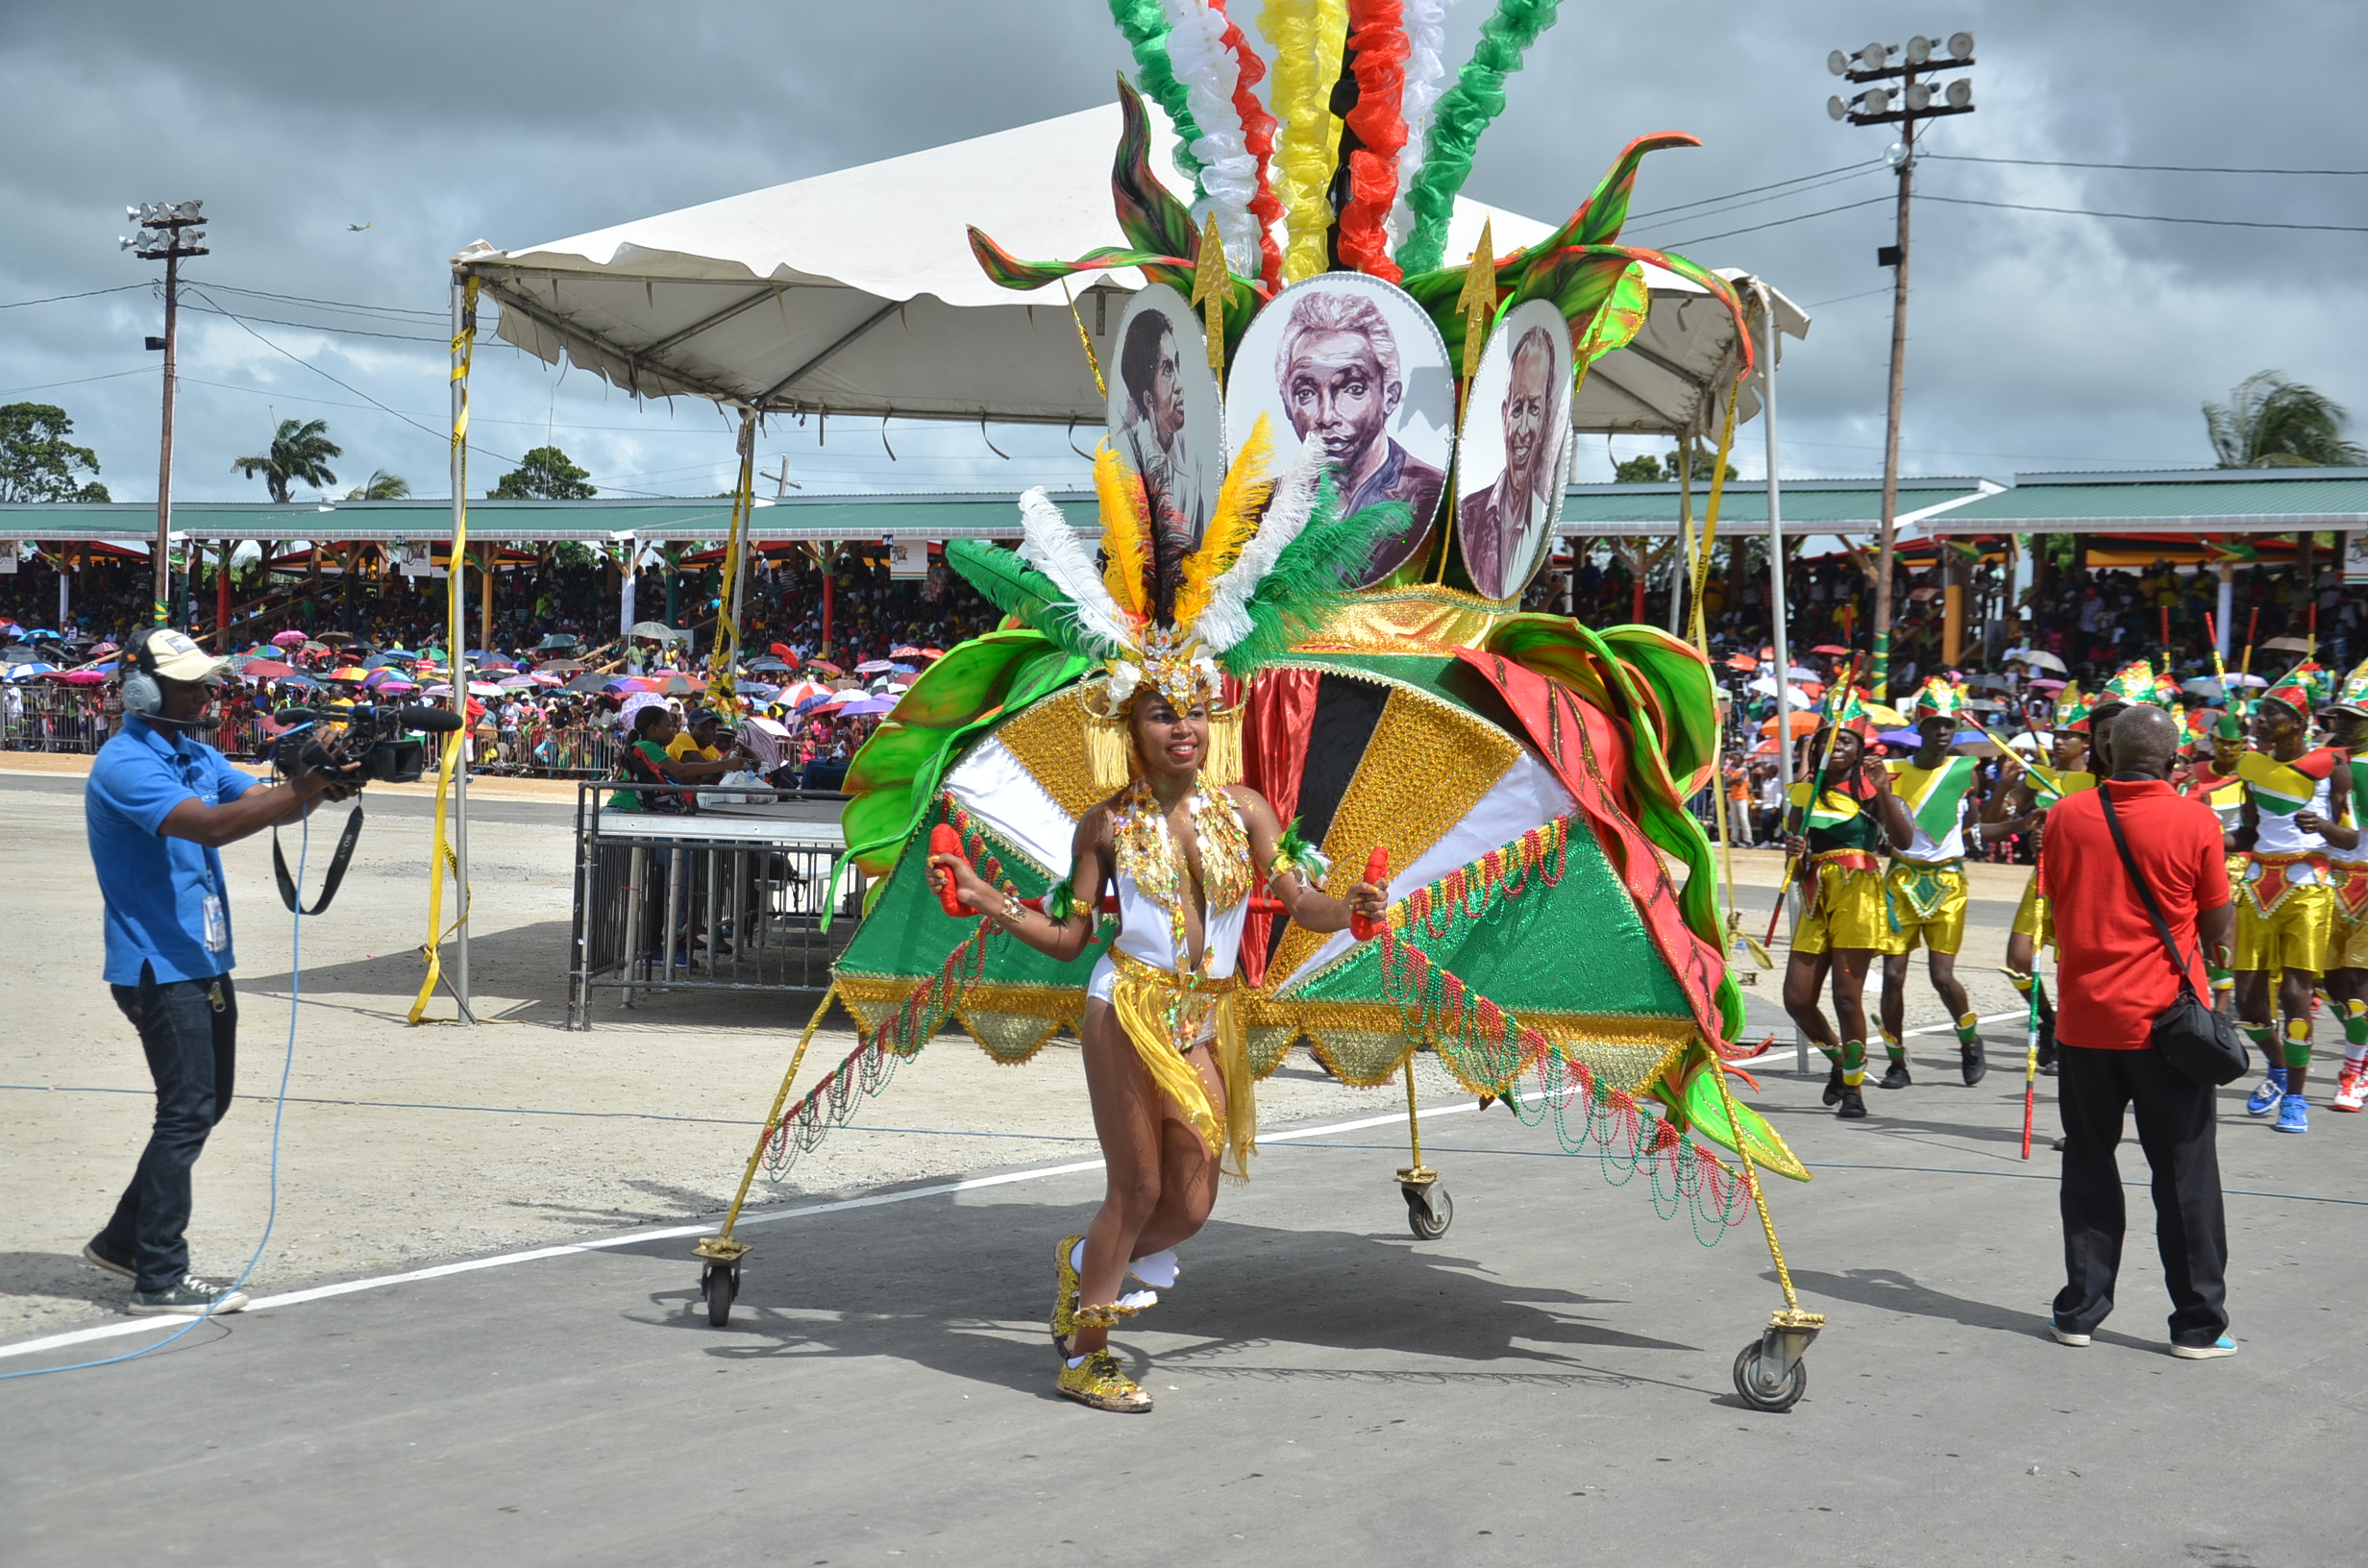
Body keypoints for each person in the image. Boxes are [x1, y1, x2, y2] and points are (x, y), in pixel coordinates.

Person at [81, 628, 358, 1315]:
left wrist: (326, 778)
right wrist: (309, 782)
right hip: (156, 963)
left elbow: (268, 803)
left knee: (207, 1104)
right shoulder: (125, 763)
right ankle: (159, 1275)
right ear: (144, 692)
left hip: (199, 959)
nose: (207, 693)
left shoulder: (192, 753)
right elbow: (210, 826)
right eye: (190, 684)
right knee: (186, 1112)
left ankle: (123, 1241)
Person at [2038, 703, 2237, 1359]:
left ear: (2108, 753)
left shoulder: (2065, 816)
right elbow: (2216, 927)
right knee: (2185, 1175)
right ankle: (2197, 1325)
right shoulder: (2196, 819)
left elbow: (2059, 898)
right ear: (2174, 758)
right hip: (2168, 1026)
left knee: (2090, 1169)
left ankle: (2080, 1312)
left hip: (2086, 1019)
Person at [1779, 693, 1912, 1119]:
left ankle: (1854, 1090)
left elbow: (1904, 842)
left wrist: (1886, 790)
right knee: (1796, 998)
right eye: (1825, 742)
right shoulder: (1803, 795)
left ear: (1859, 750)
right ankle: (1841, 1061)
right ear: (1813, 749)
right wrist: (1796, 853)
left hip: (1859, 893)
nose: (1834, 748)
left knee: (1847, 1000)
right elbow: (1797, 871)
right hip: (1817, 895)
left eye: (1845, 741)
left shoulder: (1871, 789)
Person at [2233, 661, 2351, 1134]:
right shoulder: (2252, 767)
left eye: (2272, 714)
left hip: (2308, 886)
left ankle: (2296, 1099)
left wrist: (2323, 828)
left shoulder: (2332, 771)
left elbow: (2348, 838)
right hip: (2259, 882)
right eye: (2260, 713)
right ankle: (2279, 1068)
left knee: (2295, 994)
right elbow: (2246, 832)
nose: (2260, 722)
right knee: (2247, 1003)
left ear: (2299, 725)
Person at [1273, 284, 1444, 583]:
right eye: (1306, 391)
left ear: (1389, 396)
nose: (1326, 416)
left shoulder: (1429, 499)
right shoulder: (1261, 507)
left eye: (1352, 389)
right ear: (1286, 403)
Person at [1875, 676, 1994, 1087]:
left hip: (1948, 882)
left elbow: (1976, 831)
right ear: (1919, 728)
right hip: (1901, 878)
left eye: (1948, 724)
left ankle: (1969, 1041)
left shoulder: (1967, 771)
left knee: (1942, 977)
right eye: (1934, 725)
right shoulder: (1891, 772)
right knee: (1893, 976)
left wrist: (2015, 814)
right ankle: (1896, 1061)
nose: (1942, 732)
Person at [1457, 323, 1561, 600]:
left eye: (1534, 409)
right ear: (1504, 415)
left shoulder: (1542, 523)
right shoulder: (1468, 513)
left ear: (1548, 415)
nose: (1523, 429)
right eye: (1518, 409)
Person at [1116, 307, 1215, 550]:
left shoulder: (1194, 455)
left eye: (1177, 365)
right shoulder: (1127, 464)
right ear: (1148, 398)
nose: (1180, 385)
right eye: (1168, 370)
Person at [2320, 662, 2368, 1110]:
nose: (2345, 725)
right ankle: (2364, 1040)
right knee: (2327, 981)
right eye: (2342, 717)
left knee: (2358, 980)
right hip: (2331, 877)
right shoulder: (2327, 759)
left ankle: (2353, 1072)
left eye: (2356, 719)